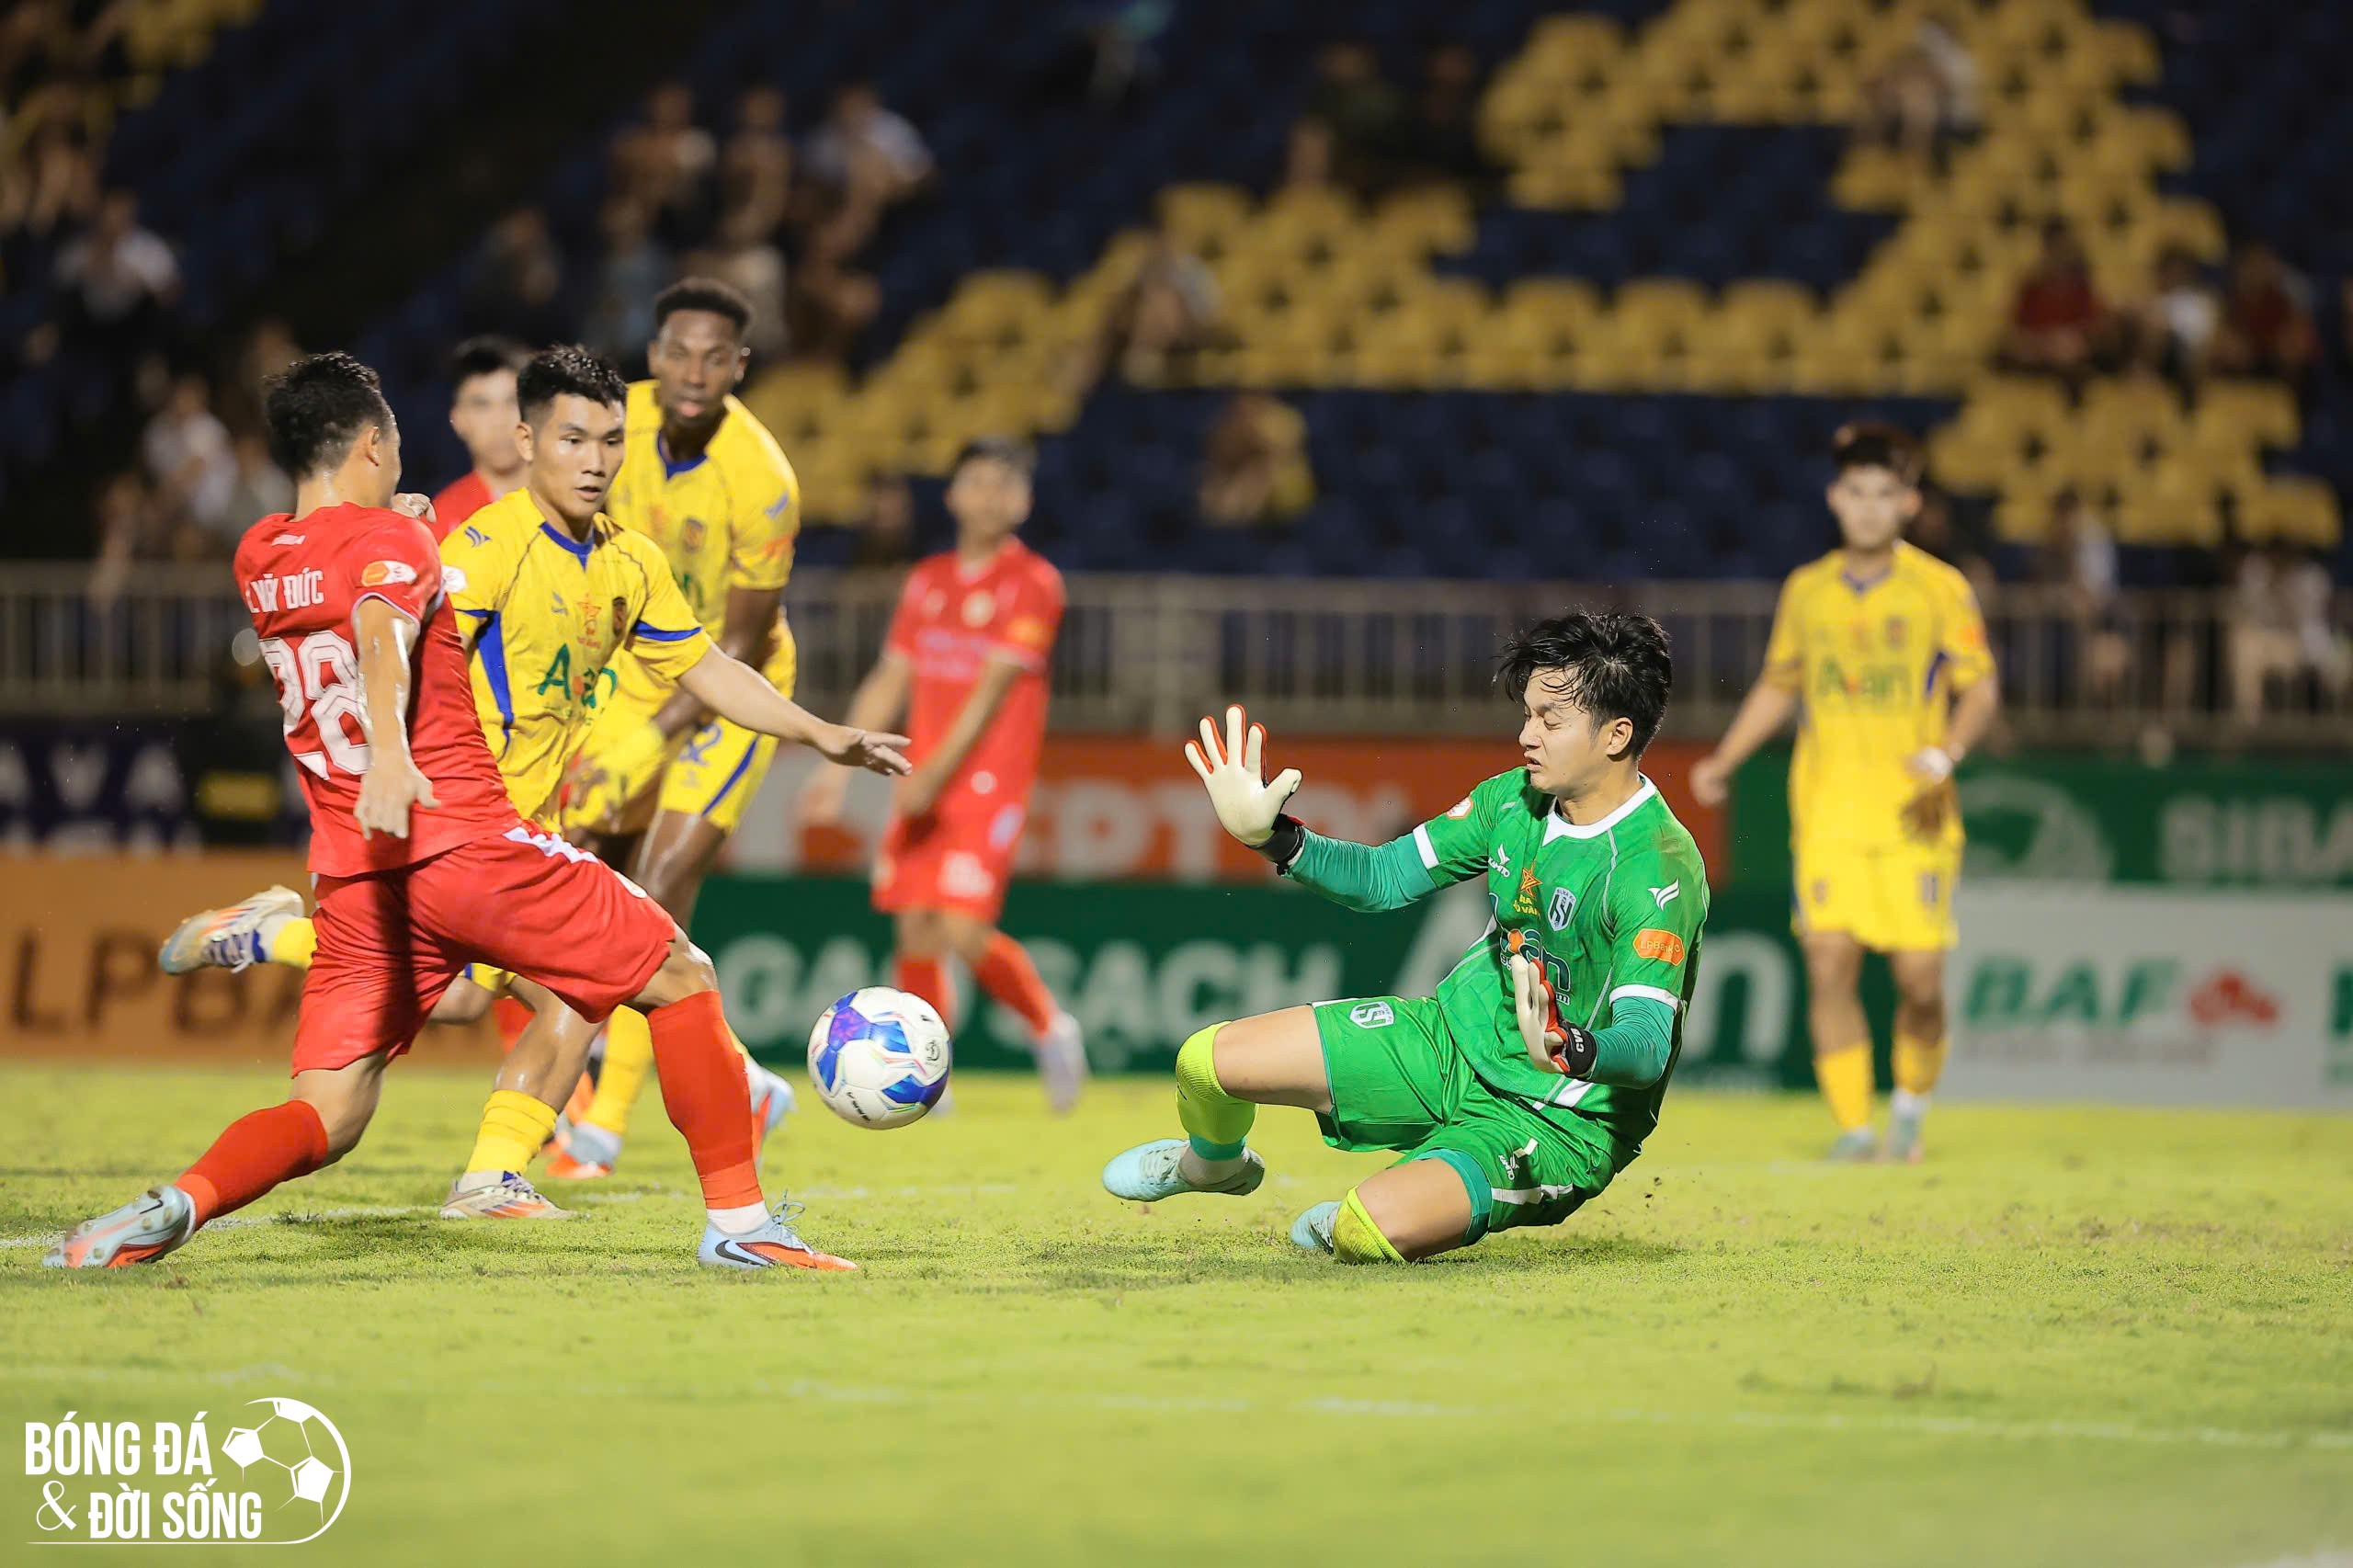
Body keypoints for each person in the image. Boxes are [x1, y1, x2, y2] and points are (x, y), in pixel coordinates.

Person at [53, 351, 904, 1271]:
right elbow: (384, 625)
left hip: (361, 871)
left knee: (333, 1113)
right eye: (576, 437)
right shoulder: (456, 549)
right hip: (465, 836)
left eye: (614, 440)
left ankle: (172, 1206)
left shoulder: (261, 552)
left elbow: (706, 667)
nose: (597, 458)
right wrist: (391, 739)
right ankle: (739, 1225)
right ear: (518, 440)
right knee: (677, 970)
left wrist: (819, 730)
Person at [1101, 612, 1706, 1264]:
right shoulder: (1513, 800)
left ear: (1617, 734)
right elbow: (1383, 878)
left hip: (1559, 1116)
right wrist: (1273, 836)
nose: (1527, 736)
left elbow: (1646, 1045)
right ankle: (1211, 1165)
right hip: (1448, 1042)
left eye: (1550, 722)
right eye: (1528, 714)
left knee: (1368, 1228)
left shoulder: (1656, 867)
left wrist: (1570, 1046)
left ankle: (1414, 1190)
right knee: (1205, 1061)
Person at [544, 279, 807, 1178]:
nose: (694, 372)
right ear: (654, 354)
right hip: (631, 668)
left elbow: (742, 637)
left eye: (715, 356)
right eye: (679, 352)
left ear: (740, 366)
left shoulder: (764, 478)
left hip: (730, 685)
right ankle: (745, 1083)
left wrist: (652, 736)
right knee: (582, 869)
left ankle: (602, 1126)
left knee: (652, 886)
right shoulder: (612, 428)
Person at [1689, 424, 1999, 1162]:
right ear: (1835, 499)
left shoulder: (1940, 588)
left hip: (1913, 814)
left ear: (1908, 503)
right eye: (1855, 493)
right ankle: (1857, 1131)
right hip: (1827, 811)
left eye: (1883, 495)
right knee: (1829, 963)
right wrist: (1726, 758)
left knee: (1919, 980)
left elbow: (1979, 687)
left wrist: (1949, 749)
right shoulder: (1808, 591)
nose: (1867, 507)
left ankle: (1913, 1110)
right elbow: (1778, 682)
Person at [798, 437, 1086, 1112]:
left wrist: (931, 774)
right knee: (913, 928)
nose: (988, 496)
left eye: (1002, 484)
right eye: (975, 482)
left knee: (961, 928)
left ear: (1023, 500)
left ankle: (1050, 1028)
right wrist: (837, 765)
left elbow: (989, 694)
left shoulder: (1034, 583)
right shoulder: (926, 580)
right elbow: (890, 676)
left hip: (987, 782)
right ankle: (932, 1074)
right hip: (923, 775)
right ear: (952, 493)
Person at [428, 335, 530, 532]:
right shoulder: (443, 521)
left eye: (511, 402)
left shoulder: (575, 500)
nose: (499, 421)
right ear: (458, 420)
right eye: (481, 405)